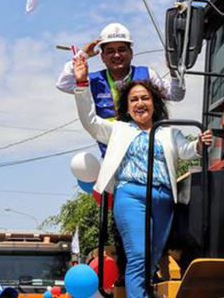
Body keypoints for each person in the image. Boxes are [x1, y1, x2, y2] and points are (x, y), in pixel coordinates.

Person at [73, 54, 211, 298]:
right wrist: (82, 85)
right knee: (137, 254)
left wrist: (200, 144)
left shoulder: (168, 132)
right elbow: (90, 122)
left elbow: (188, 150)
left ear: (154, 103)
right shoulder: (119, 129)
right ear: (126, 107)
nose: (139, 103)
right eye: (133, 99)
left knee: (151, 257)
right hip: (131, 196)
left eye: (144, 98)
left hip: (163, 198)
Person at [56, 22, 186, 155]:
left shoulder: (147, 74)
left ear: (131, 53)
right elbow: (63, 84)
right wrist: (82, 55)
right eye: (110, 51)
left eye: (121, 49)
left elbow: (176, 95)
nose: (117, 55)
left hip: (148, 155)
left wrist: (174, 70)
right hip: (112, 159)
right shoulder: (93, 81)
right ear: (102, 57)